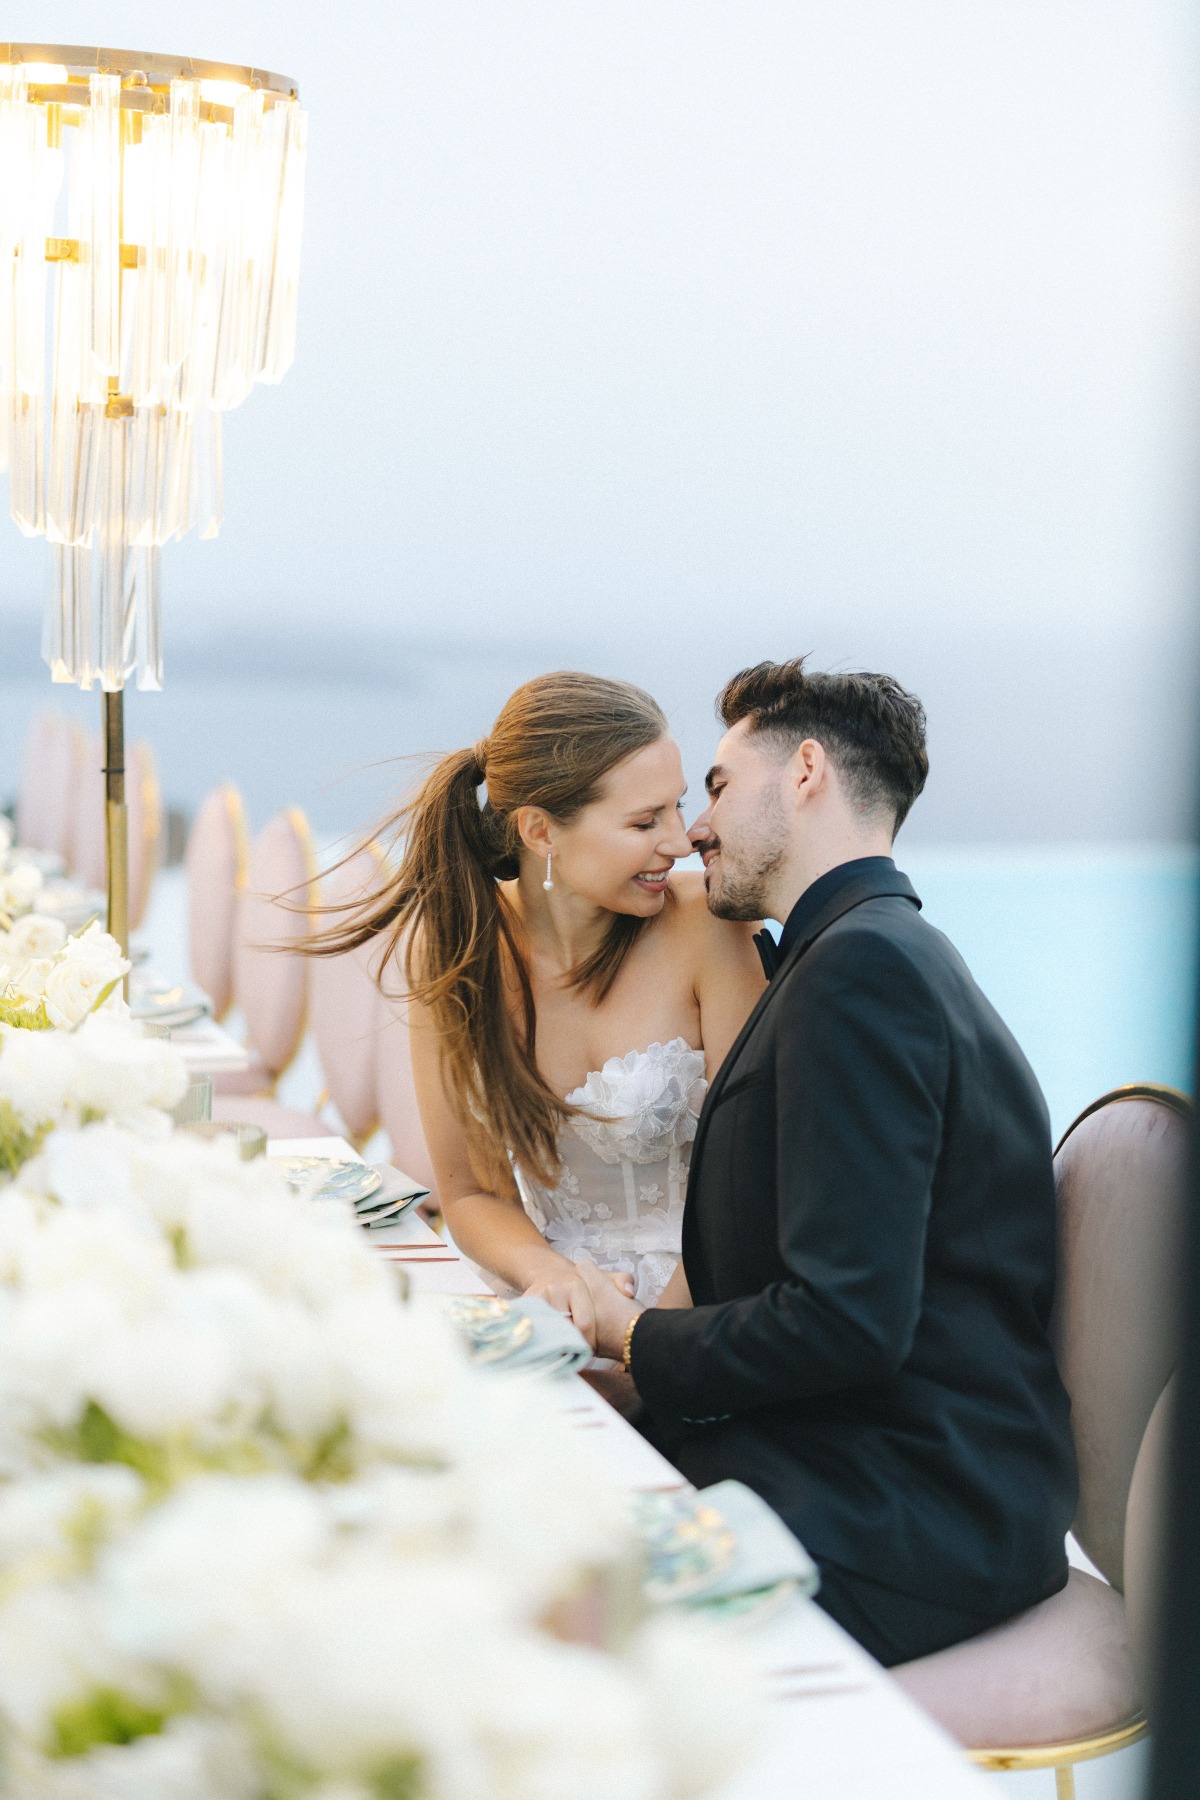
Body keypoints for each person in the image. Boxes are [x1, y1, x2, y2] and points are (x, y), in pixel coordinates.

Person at [576, 657, 1078, 1666]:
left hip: (913, 1507)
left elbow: (848, 1321)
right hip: (854, 1455)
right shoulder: (859, 952)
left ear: (805, 772)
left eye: (717, 786)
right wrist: (644, 1376)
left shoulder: (862, 973)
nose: (698, 830)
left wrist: (638, 1338)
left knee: (560, 1620)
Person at [310, 671, 765, 1334]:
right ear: (540, 832)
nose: (681, 838)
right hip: (560, 1320)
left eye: (677, 805)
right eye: (644, 820)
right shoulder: (459, 953)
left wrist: (650, 1350)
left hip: (710, 1316)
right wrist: (546, 1276)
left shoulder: (711, 927)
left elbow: (748, 1187)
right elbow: (470, 1192)